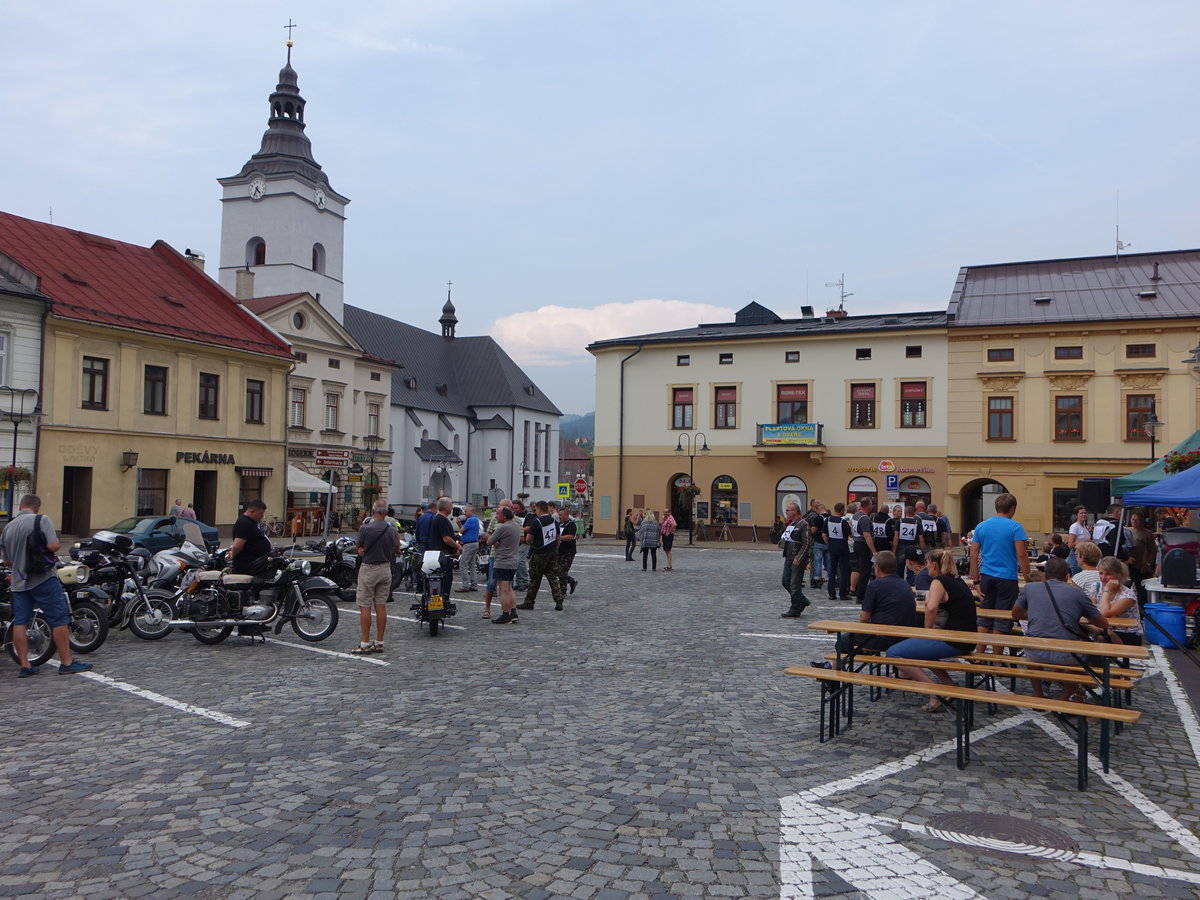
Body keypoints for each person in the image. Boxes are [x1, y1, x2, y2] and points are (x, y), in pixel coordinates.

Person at [0, 494, 93, 677]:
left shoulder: (7, 528)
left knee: (20, 621)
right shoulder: (41, 520)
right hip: (43, 578)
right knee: (58, 618)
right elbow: (54, 545)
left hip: (19, 582)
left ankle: (25, 665)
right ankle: (66, 662)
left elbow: (7, 563)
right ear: (37, 508)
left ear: (21, 507)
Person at [886, 548, 977, 711]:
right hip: (968, 637)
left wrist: (927, 632)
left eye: (927, 563)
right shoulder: (957, 580)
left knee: (894, 653)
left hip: (954, 639)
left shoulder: (939, 581)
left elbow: (931, 608)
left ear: (934, 565)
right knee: (922, 651)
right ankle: (949, 684)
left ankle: (935, 691)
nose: (926, 566)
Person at [1012, 557, 1111, 699]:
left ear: (1045, 575)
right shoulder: (1077, 593)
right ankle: (1064, 698)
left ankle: (1038, 692)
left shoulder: (1029, 588)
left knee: (1031, 645)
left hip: (1035, 652)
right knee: (1083, 654)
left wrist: (1038, 613)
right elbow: (1102, 623)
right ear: (1067, 576)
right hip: (1067, 655)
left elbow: (1016, 614)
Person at [822, 551, 916, 667]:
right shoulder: (904, 583)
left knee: (843, 642)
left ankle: (834, 674)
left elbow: (864, 618)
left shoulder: (875, 585)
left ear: (877, 568)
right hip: (905, 636)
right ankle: (831, 666)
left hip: (884, 637)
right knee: (851, 641)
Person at [967, 492, 1029, 654]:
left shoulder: (981, 526)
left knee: (985, 616)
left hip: (987, 576)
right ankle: (997, 659)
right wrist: (1028, 578)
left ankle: (980, 655)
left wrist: (976, 580)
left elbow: (973, 555)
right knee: (1002, 618)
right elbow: (1021, 555)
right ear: (1012, 508)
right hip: (1007, 577)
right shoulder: (1015, 527)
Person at [351, 500, 401, 655]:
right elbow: (397, 548)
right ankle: (379, 642)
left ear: (373, 511)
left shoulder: (365, 528)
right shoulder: (391, 529)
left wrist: (361, 550)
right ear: (386, 512)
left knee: (365, 606)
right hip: (385, 569)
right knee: (381, 606)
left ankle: (364, 643)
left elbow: (358, 547)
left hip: (369, 569)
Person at [519, 500, 564, 610]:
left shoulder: (537, 522)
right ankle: (559, 601)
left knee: (535, 579)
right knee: (553, 577)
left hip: (539, 552)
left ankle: (529, 602)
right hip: (552, 552)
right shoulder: (554, 521)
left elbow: (528, 538)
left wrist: (532, 545)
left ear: (538, 509)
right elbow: (558, 538)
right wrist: (555, 548)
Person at [1095, 557, 1143, 646]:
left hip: (1126, 633)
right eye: (1101, 573)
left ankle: (1110, 645)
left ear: (1119, 575)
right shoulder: (1096, 587)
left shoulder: (1128, 595)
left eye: (1108, 574)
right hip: (1104, 628)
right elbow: (1089, 607)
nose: (1103, 577)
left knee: (1100, 638)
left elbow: (1106, 612)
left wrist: (1107, 590)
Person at [488, 506, 522, 625]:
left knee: (503, 589)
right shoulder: (516, 526)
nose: (496, 516)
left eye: (498, 514)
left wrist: (496, 542)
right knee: (510, 588)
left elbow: (489, 541)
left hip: (502, 561)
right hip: (513, 561)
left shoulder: (503, 527)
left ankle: (505, 614)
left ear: (504, 516)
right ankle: (513, 612)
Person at [779, 501, 812, 618]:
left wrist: (799, 557)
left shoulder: (803, 524)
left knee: (794, 584)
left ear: (795, 511)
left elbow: (806, 543)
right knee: (785, 581)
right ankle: (801, 600)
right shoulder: (791, 524)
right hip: (788, 557)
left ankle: (795, 609)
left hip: (797, 558)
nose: (786, 512)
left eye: (789, 510)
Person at [230, 498, 272, 576]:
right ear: (252, 511)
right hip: (248, 566)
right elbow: (237, 546)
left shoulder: (251, 522)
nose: (262, 516)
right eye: (261, 513)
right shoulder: (244, 523)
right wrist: (232, 555)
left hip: (256, 564)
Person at [822, 501, 852, 602]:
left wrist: (828, 544)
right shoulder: (843, 522)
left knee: (832, 570)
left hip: (832, 547)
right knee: (843, 571)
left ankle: (831, 593)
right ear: (842, 510)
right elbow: (850, 533)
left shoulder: (828, 519)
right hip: (842, 547)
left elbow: (824, 534)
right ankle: (843, 593)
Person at [1126, 512, 1157, 606]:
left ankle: (1143, 609)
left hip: (1140, 565)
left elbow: (1152, 551)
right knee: (1125, 587)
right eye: (1133, 519)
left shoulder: (1147, 533)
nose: (1135, 522)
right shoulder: (1126, 530)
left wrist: (1147, 564)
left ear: (1142, 521)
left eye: (1138, 520)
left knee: (1141, 589)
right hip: (1127, 564)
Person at [852, 498, 878, 603]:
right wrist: (874, 551)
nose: (872, 506)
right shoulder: (864, 518)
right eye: (871, 504)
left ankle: (858, 591)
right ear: (867, 505)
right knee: (865, 571)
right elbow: (867, 535)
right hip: (863, 545)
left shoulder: (856, 515)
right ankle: (861, 595)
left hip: (856, 543)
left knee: (860, 568)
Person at [556, 505, 579, 594]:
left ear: (566, 515)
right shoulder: (558, 524)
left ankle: (563, 591)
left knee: (562, 572)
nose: (559, 517)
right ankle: (571, 581)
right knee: (557, 571)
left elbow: (570, 536)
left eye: (561, 515)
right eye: (559, 515)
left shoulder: (571, 524)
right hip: (559, 551)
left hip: (568, 552)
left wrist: (559, 538)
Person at [457, 505, 481, 591]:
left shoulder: (470, 520)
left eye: (466, 511)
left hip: (469, 544)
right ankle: (474, 584)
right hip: (474, 543)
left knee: (463, 564)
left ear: (471, 511)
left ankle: (465, 585)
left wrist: (459, 523)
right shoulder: (476, 519)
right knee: (472, 565)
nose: (465, 513)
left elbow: (461, 531)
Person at [805, 500, 827, 589]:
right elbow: (812, 529)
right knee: (814, 560)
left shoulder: (809, 513)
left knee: (815, 560)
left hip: (813, 540)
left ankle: (815, 579)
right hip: (814, 540)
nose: (819, 503)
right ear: (814, 505)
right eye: (818, 502)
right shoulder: (814, 515)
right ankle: (814, 580)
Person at [512, 500, 530, 591]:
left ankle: (524, 581)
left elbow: (530, 527)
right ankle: (519, 582)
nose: (515, 510)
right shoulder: (513, 516)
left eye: (517, 508)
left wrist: (518, 529)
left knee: (520, 561)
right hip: (515, 542)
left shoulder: (528, 515)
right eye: (513, 508)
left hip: (525, 542)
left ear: (521, 507)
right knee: (516, 562)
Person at [1066, 506, 1090, 575]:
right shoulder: (1074, 527)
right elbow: (1070, 545)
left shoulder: (1085, 527)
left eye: (1085, 513)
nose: (1084, 515)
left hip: (1084, 555)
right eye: (1081, 513)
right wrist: (1085, 541)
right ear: (1076, 515)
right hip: (1076, 556)